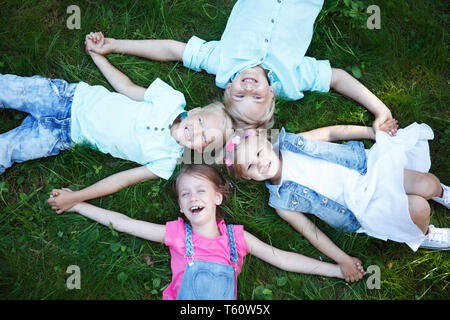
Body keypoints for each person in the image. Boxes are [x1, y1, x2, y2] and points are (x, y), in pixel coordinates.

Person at [49, 164, 365, 300]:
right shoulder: (175, 234)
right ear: (181, 208)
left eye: (200, 191)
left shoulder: (238, 239)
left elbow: (281, 259)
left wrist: (337, 270)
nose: (192, 198)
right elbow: (124, 223)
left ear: (217, 197)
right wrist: (78, 204)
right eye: (185, 195)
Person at [1, 35, 232, 213]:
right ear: (195, 111)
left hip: (62, 136)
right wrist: (98, 56)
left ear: (201, 150)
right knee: (8, 89)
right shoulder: (171, 99)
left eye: (205, 138)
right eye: (201, 122)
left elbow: (120, 180)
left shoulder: (165, 163)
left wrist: (77, 196)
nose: (196, 131)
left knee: (7, 150)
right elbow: (126, 87)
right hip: (68, 98)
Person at [84, 0, 396, 132]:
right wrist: (381, 110)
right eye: (256, 97)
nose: (248, 88)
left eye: (239, 95)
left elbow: (171, 49)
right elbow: (339, 78)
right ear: (273, 93)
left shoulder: (221, 64)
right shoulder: (293, 79)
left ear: (228, 89)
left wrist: (115, 45)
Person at [225, 121, 450, 252]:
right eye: (252, 167)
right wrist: (342, 259)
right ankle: (423, 235)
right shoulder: (282, 201)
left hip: (367, 169)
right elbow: (310, 231)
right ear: (248, 178)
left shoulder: (291, 144)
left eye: (258, 153)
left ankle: (442, 193)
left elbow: (331, 133)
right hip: (360, 206)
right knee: (420, 209)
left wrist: (371, 132)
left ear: (266, 143)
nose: (261, 164)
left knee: (428, 182)